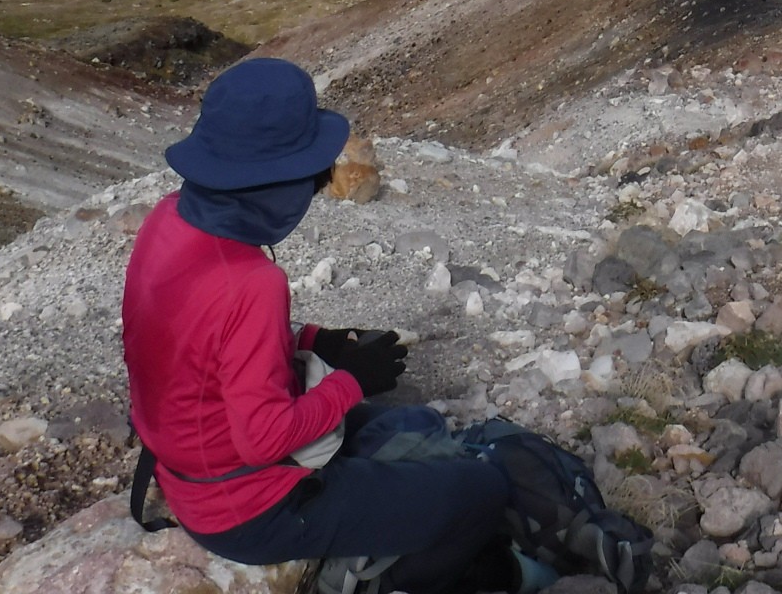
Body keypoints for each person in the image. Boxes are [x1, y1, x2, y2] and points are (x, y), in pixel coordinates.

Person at [123, 58, 523, 594]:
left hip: (186, 475)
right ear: (276, 180)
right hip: (250, 510)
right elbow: (262, 439)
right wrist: (354, 378)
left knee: (413, 429)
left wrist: (317, 340)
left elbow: (201, 339)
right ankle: (367, 580)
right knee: (482, 491)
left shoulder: (168, 218)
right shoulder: (252, 281)